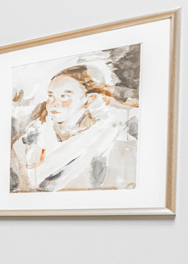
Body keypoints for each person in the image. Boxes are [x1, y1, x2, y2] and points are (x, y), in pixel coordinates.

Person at [11, 63, 137, 193]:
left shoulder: (106, 137)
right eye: (50, 96)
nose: (54, 103)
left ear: (88, 100)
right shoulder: (33, 133)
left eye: (64, 96)